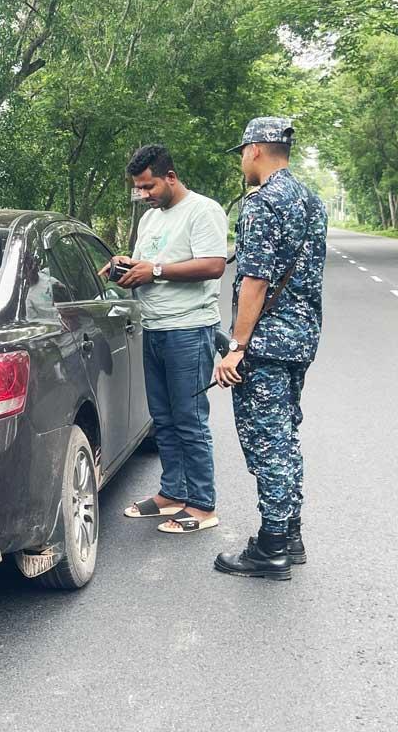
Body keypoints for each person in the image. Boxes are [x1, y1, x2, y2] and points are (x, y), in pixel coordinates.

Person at [213, 117, 327, 580]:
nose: (242, 160)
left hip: (266, 342)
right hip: (300, 339)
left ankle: (272, 547)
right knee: (285, 436)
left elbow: (255, 282)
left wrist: (236, 346)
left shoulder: (261, 204)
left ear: (256, 150)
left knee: (268, 442)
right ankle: (291, 534)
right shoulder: (310, 200)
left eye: (243, 151)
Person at [111, 144, 228, 534]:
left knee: (189, 419)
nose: (144, 194)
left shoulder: (202, 210)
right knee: (163, 419)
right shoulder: (151, 219)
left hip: (189, 329)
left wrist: (155, 270)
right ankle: (172, 493)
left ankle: (201, 504)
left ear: (171, 177)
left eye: (149, 186)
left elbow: (213, 265)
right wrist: (122, 265)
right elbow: (147, 261)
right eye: (139, 189)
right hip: (155, 326)